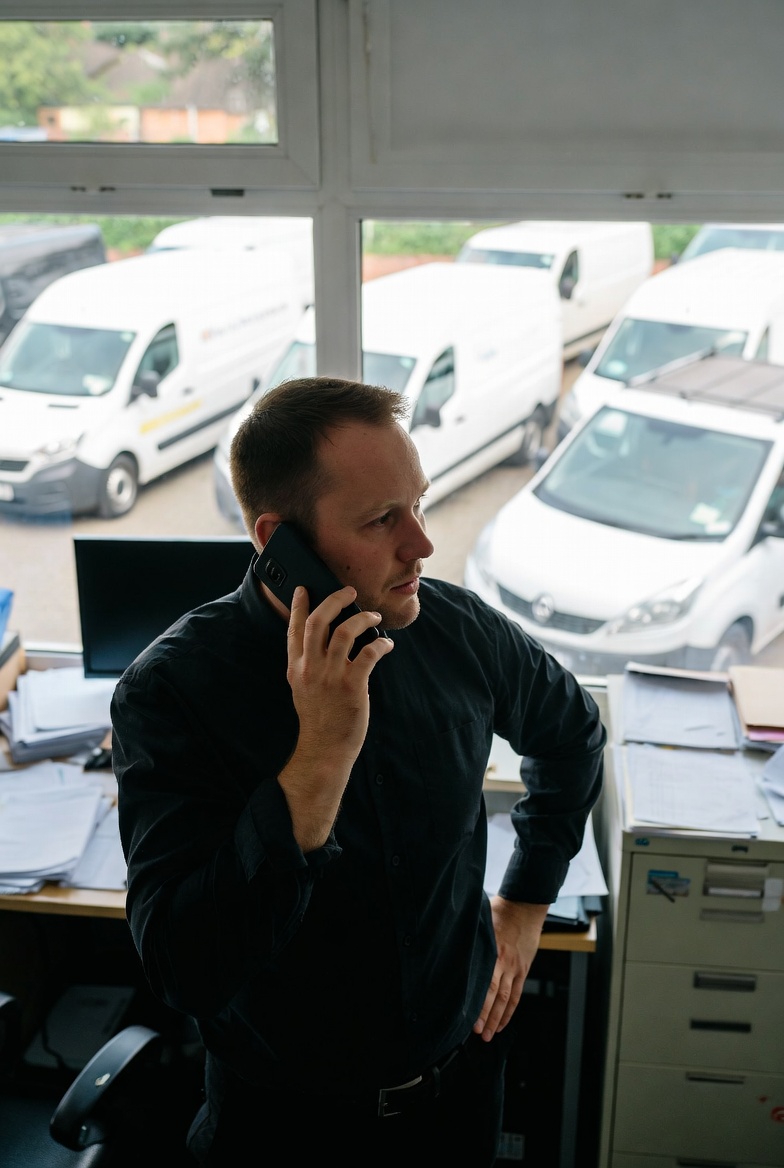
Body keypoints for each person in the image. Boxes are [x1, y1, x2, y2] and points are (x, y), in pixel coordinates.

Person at [111, 376, 606, 1167]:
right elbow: (184, 966)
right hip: (282, 1129)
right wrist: (320, 759)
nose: (422, 544)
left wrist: (525, 902)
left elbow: (574, 734)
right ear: (281, 542)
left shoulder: (456, 631)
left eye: (419, 504)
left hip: (456, 1096)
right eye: (383, 520)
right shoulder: (172, 693)